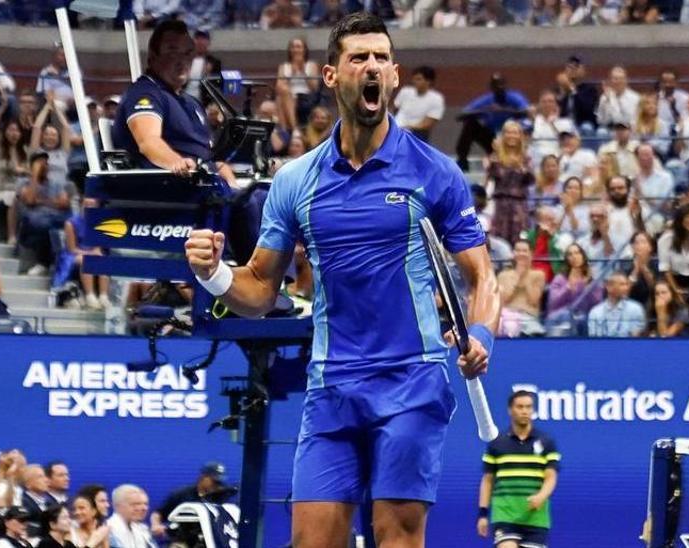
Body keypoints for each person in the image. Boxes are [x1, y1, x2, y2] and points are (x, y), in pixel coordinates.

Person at [184, 14, 498, 547]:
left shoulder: (435, 171)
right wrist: (213, 273)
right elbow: (260, 290)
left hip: (412, 381)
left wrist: (482, 334)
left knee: (393, 534)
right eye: (359, 58)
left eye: (381, 58)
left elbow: (482, 274)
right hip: (332, 385)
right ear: (331, 76)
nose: (371, 67)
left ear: (394, 76)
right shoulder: (295, 180)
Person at [110, 20, 233, 183]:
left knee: (260, 195)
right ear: (153, 57)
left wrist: (234, 185)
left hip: (208, 186)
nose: (182, 60)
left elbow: (211, 158)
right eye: (172, 52)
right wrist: (176, 162)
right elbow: (148, 142)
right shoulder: (145, 92)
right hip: (171, 189)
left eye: (188, 53)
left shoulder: (192, 103)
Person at [476, 391, 559, 548]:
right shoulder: (497, 443)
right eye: (520, 407)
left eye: (528, 407)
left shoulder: (546, 442)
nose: (524, 411)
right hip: (505, 514)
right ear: (510, 410)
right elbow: (487, 481)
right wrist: (483, 514)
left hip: (536, 517)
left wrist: (542, 495)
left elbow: (551, 477)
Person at [455, 73, 530, 172]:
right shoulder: (487, 100)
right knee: (470, 124)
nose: (499, 87)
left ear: (506, 85)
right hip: (492, 138)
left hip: (512, 137)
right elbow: (461, 116)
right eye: (496, 85)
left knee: (524, 127)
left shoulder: (514, 97)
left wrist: (503, 110)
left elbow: (526, 112)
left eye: (501, 84)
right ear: (491, 87)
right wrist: (485, 110)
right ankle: (462, 162)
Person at [486, 120, 533, 245]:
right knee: (499, 239)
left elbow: (531, 180)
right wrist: (495, 155)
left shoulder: (526, 157)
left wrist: (521, 167)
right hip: (501, 205)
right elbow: (491, 178)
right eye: (508, 132)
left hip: (519, 205)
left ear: (520, 136)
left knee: (521, 239)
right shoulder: (495, 157)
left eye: (515, 133)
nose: (512, 136)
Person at [497, 240, 546, 337]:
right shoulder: (503, 275)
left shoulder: (538, 275)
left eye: (525, 251)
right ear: (513, 253)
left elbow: (533, 300)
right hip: (507, 317)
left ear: (531, 254)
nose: (521, 254)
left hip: (529, 317)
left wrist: (525, 275)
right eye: (518, 250)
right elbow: (504, 300)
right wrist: (517, 276)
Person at [392, 66, 445, 142]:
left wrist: (408, 127)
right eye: (414, 79)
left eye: (419, 79)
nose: (414, 81)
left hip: (416, 134)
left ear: (428, 81)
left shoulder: (436, 99)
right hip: (396, 129)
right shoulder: (405, 91)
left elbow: (428, 123)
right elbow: (394, 109)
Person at [586, 270, 646, 337]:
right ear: (609, 287)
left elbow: (635, 338)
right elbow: (594, 340)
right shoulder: (595, 312)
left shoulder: (636, 308)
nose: (626, 288)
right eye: (622, 284)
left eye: (626, 284)